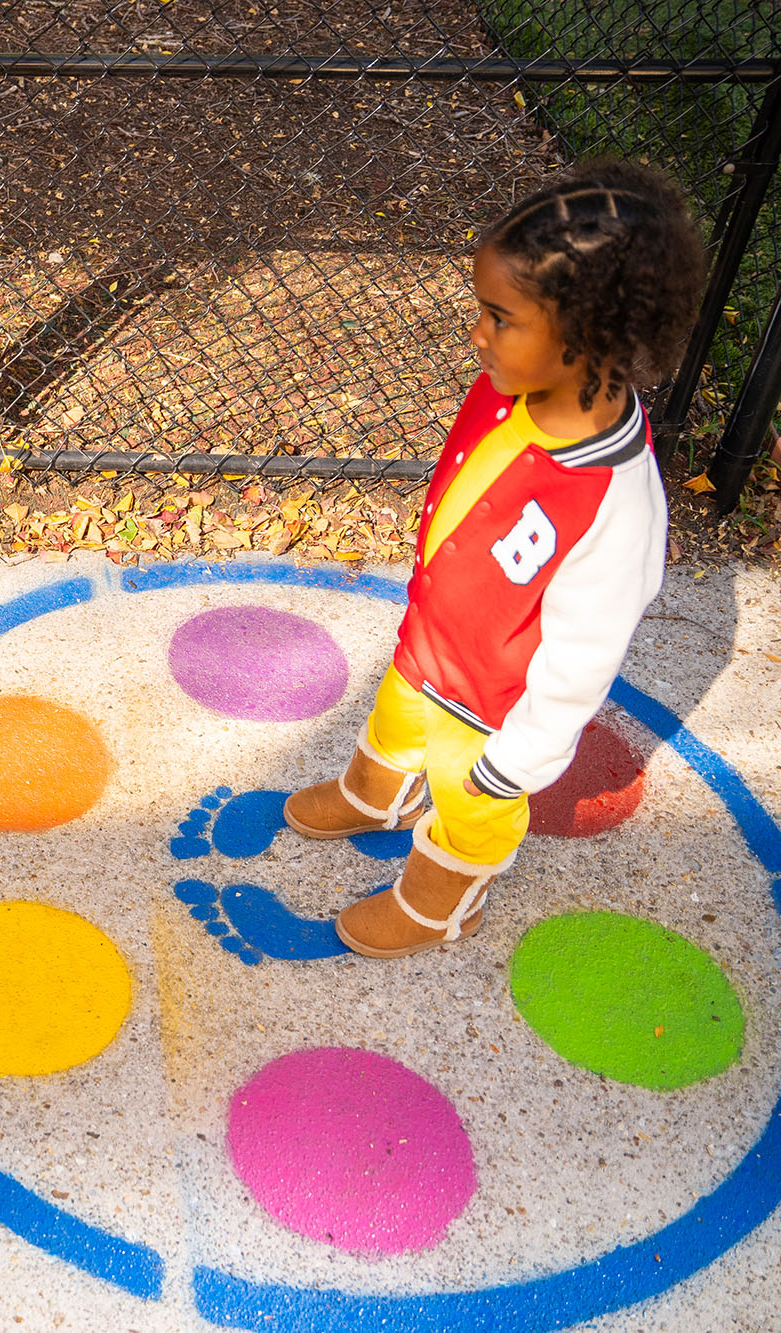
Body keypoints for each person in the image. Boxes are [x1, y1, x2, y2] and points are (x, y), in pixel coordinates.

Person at [284, 160, 706, 958]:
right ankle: (375, 794)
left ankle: (440, 900)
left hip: (494, 713)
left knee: (468, 804)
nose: (479, 333)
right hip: (433, 638)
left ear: (588, 338)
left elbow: (584, 656)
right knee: (398, 715)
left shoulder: (615, 502)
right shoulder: (516, 385)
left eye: (499, 317)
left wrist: (518, 762)